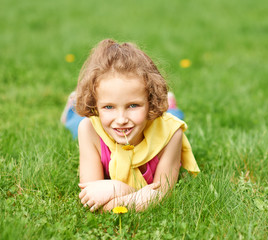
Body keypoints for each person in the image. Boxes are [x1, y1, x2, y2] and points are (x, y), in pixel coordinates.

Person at [62, 39, 200, 212]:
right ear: (96, 106)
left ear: (150, 101)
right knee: (76, 122)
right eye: (109, 106)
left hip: (156, 122)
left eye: (133, 105)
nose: (121, 119)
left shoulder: (171, 135)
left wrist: (119, 191)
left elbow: (162, 196)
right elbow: (92, 200)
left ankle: (170, 104)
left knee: (172, 116)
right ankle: (71, 107)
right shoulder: (89, 130)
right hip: (96, 126)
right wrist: (139, 195)